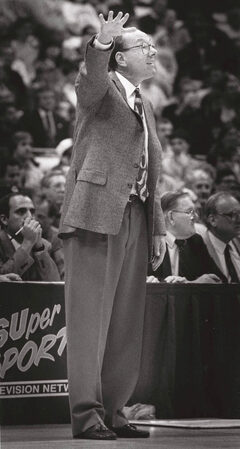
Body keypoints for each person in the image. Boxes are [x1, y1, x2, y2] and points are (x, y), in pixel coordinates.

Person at [59, 11, 166, 441]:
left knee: (125, 319)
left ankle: (116, 410)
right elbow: (88, 85)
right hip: (95, 213)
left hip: (136, 214)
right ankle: (87, 416)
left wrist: (157, 226)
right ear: (121, 59)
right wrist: (101, 44)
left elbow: (151, 170)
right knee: (90, 320)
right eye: (144, 47)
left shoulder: (145, 102)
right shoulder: (99, 90)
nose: (153, 52)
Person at [148, 191, 223, 284]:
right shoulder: (148, 243)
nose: (196, 216)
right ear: (171, 217)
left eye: (195, 212)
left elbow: (219, 279)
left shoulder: (196, 241)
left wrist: (192, 283)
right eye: (190, 212)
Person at [0, 192, 60, 281]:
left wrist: (39, 249)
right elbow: (4, 280)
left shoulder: (44, 244)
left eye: (32, 211)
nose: (29, 216)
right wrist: (27, 243)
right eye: (21, 211)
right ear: (4, 219)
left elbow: (54, 283)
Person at [201, 192, 240, 283]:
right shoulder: (198, 247)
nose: (239, 219)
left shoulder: (237, 242)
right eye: (232, 215)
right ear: (213, 220)